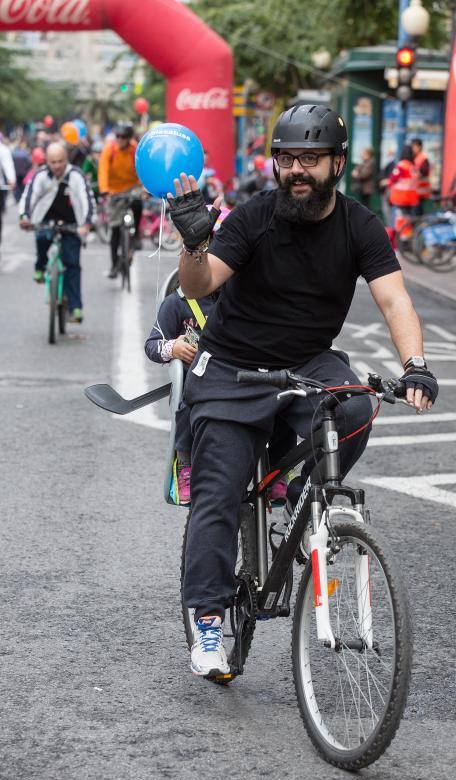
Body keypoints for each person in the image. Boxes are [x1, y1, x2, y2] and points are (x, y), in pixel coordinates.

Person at [166, 103, 439, 678]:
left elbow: (394, 299)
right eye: (287, 158)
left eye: (310, 159)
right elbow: (203, 281)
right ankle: (209, 620)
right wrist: (192, 244)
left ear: (336, 165)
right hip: (233, 368)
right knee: (217, 493)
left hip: (307, 364)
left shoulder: (360, 225)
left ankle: (299, 488)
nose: (296, 170)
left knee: (358, 406)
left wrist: (414, 364)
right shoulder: (253, 217)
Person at [145, 285, 293, 505]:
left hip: (242, 377)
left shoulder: (242, 299)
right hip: (198, 383)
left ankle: (277, 469)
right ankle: (185, 465)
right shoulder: (176, 304)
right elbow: (152, 345)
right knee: (188, 399)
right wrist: (173, 348)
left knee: (285, 397)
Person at [19, 142, 95, 322]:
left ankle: (75, 308)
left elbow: (87, 200)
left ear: (66, 159)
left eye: (60, 161)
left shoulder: (76, 175)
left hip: (71, 224)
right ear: (47, 161)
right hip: (45, 221)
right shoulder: (40, 176)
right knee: (41, 238)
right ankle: (40, 266)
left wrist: (86, 223)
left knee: (73, 264)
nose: (57, 166)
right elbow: (28, 196)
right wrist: (24, 216)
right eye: (53, 162)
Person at [98, 121, 142, 278]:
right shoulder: (109, 149)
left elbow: (142, 168)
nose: (120, 139)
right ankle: (114, 265)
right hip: (113, 190)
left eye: (123, 136)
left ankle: (136, 235)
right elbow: (103, 170)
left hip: (132, 187)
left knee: (138, 203)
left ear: (129, 138)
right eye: (117, 136)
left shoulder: (135, 149)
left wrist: (143, 188)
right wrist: (104, 190)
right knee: (115, 229)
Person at [388, 143, 419, 226]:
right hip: (411, 197)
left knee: (400, 217)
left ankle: (401, 236)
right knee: (408, 218)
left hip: (401, 197)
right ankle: (407, 235)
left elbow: (393, 179)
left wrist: (388, 184)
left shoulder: (401, 166)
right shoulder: (413, 167)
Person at [0, 133, 16, 245]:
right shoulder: (3, 149)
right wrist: (11, 179)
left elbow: (8, 165)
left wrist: (11, 179)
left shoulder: (3, 150)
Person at [410, 138, 431, 216]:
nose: (412, 149)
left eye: (414, 147)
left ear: (419, 147)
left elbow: (423, 172)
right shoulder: (415, 158)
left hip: (421, 191)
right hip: (416, 191)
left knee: (418, 212)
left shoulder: (423, 159)